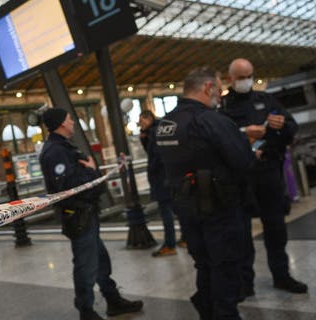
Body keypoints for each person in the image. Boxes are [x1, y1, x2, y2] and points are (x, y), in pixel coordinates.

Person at [155, 67, 254, 319]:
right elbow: (243, 162)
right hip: (219, 210)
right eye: (219, 89)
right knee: (225, 268)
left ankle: (208, 312)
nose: (220, 96)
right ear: (208, 87)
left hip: (187, 211)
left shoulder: (166, 123)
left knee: (204, 265)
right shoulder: (211, 120)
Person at [39, 108, 143, 320]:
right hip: (77, 216)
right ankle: (86, 310)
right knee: (86, 265)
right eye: (69, 119)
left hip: (86, 214)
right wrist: (92, 170)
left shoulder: (63, 147)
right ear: (61, 123)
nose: (73, 123)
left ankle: (112, 299)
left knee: (100, 261)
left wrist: (90, 171)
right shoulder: (55, 152)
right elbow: (69, 186)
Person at [220, 58, 307, 295]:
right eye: (241, 77)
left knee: (276, 227)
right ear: (230, 79)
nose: (246, 81)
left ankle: (282, 274)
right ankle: (244, 282)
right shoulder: (223, 107)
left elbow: (291, 128)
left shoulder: (266, 100)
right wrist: (244, 136)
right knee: (242, 231)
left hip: (269, 172)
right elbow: (220, 141)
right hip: (242, 177)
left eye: (249, 75)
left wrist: (281, 125)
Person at [139, 110, 179, 257]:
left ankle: (170, 244)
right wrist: (143, 137)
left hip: (161, 178)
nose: (141, 124)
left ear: (149, 118)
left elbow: (154, 156)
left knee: (166, 212)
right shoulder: (158, 130)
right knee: (176, 208)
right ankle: (185, 238)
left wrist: (152, 171)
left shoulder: (155, 132)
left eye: (142, 121)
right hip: (168, 176)